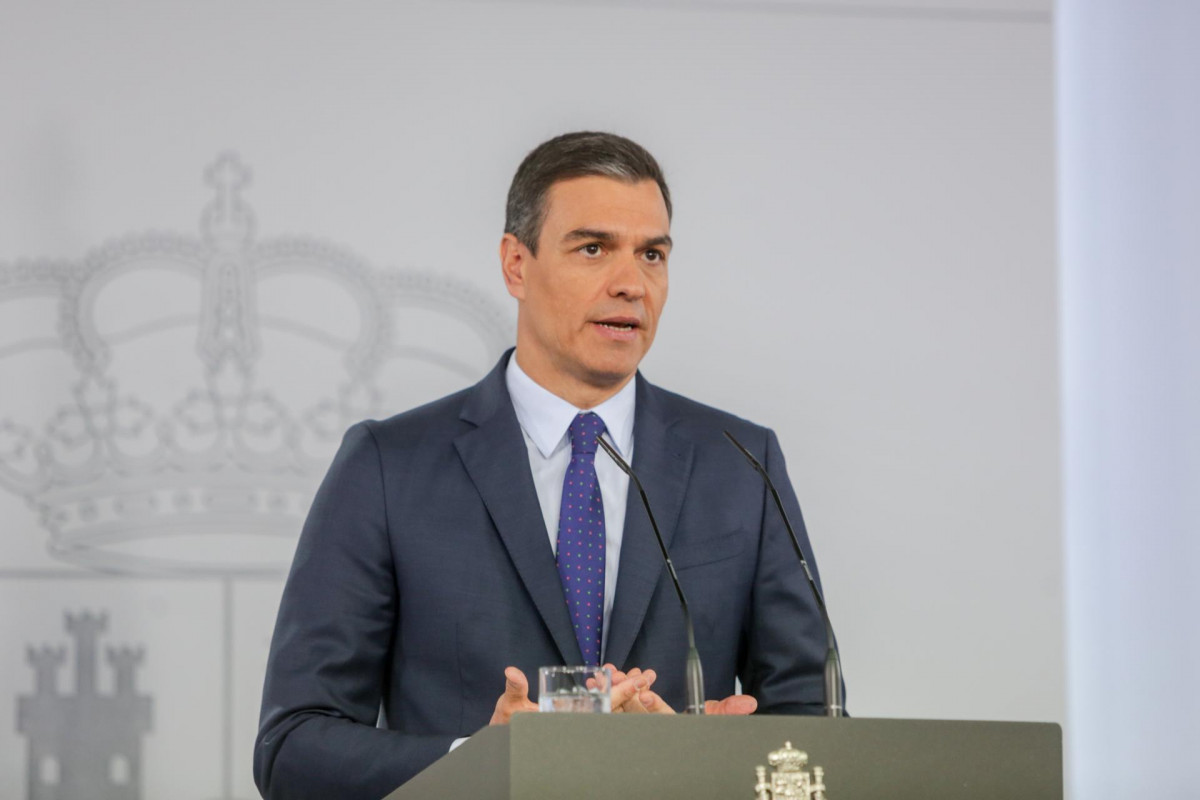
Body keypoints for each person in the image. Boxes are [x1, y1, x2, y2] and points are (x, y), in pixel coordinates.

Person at [254, 132, 835, 800]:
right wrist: (479, 761)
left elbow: (817, 729)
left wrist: (713, 760)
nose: (631, 284)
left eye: (652, 254)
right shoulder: (388, 467)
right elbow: (292, 748)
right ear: (516, 265)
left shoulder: (741, 464)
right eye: (593, 249)